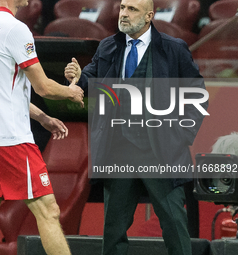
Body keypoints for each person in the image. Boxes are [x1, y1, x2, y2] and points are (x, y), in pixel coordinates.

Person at [65, 0, 208, 254]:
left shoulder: (173, 49)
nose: (124, 14)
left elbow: (197, 94)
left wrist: (180, 136)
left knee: (174, 224)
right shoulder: (108, 46)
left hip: (161, 152)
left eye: (132, 9)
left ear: (149, 16)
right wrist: (77, 78)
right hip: (118, 150)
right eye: (122, 8)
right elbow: (90, 76)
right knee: (113, 230)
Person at [0, 0, 84, 255]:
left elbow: (3, 91)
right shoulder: (15, 29)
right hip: (12, 140)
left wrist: (42, 118)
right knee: (48, 210)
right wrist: (71, 92)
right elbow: (44, 87)